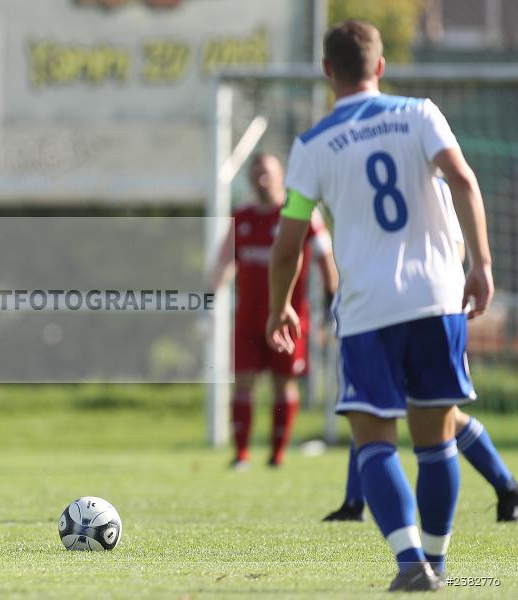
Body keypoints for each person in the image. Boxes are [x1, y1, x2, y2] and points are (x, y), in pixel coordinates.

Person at [266, 20, 494, 592]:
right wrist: (482, 265)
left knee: (373, 438)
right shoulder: (420, 113)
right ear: (381, 67)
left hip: (368, 306)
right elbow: (463, 181)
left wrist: (278, 308)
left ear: (327, 72)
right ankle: (437, 562)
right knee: (436, 436)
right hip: (437, 296)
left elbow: (289, 240)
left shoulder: (312, 146)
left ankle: (410, 561)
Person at [323, 179, 517, 524]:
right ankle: (355, 503)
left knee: (436, 414)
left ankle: (505, 486)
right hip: (375, 308)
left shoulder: (435, 186)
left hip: (427, 312)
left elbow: (457, 247)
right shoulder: (358, 184)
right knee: (368, 404)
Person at [212, 153, 336, 469]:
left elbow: (326, 259)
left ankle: (277, 454)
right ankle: (241, 454)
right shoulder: (242, 217)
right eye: (256, 175)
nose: (261, 180)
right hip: (249, 319)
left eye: (267, 173)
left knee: (284, 383)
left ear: (281, 175)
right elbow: (225, 262)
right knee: (243, 383)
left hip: (289, 317)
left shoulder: (300, 213)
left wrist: (332, 303)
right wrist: (207, 303)